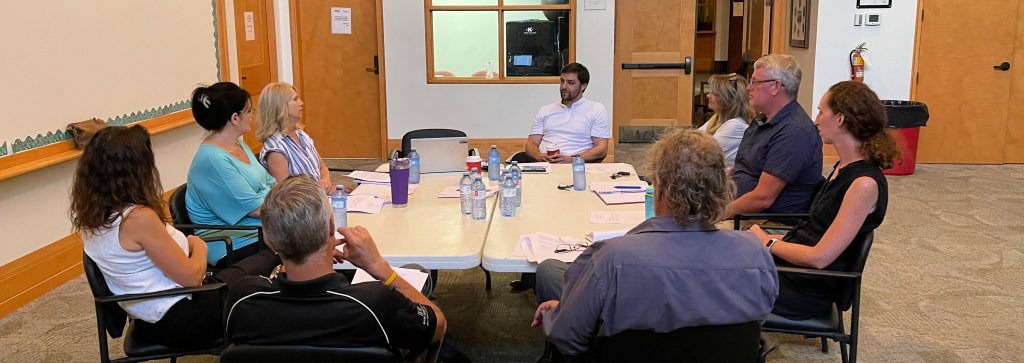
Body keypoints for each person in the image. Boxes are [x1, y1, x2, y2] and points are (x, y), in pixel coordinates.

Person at [531, 129, 778, 357]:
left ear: (658, 185)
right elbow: (752, 324)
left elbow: (569, 340)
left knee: (550, 272)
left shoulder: (610, 258)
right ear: (722, 188)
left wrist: (558, 312)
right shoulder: (756, 254)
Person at [70, 126, 278, 349]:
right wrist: (198, 245)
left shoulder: (92, 216)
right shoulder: (139, 218)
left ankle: (276, 260)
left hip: (153, 315)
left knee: (259, 263)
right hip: (181, 317)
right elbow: (192, 278)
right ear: (133, 170)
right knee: (263, 288)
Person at [225, 176, 446, 357]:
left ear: (268, 238)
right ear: (331, 225)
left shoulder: (242, 299)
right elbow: (438, 327)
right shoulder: (374, 302)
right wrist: (381, 268)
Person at [748, 81, 899, 320]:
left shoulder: (864, 185)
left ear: (840, 119)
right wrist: (765, 239)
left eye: (821, 111)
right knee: (721, 255)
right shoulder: (843, 168)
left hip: (806, 288)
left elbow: (820, 257)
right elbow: (815, 232)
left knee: (711, 277)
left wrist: (768, 243)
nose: (816, 120)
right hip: (793, 270)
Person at [186, 82, 275, 265]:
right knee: (308, 244)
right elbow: (257, 209)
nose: (252, 115)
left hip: (262, 229)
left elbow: (270, 182)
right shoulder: (212, 159)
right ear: (235, 118)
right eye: (249, 111)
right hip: (233, 242)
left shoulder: (237, 144)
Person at [727, 54, 823, 218]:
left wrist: (715, 214)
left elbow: (762, 199)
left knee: (689, 235)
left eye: (755, 82)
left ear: (775, 87)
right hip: (739, 208)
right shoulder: (761, 120)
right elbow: (743, 167)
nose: (749, 88)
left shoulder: (794, 133)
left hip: (765, 222)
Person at [256, 82, 338, 194]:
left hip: (318, 199)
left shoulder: (301, 135)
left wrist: (325, 182)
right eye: (295, 99)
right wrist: (322, 191)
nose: (301, 103)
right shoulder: (275, 148)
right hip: (301, 208)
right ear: (280, 106)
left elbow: (323, 168)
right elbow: (287, 193)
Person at [524, 63, 611, 163]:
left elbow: (601, 149)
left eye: (570, 83)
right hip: (545, 165)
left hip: (576, 167)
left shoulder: (596, 109)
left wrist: (572, 159)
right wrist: (539, 155)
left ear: (583, 86)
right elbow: (530, 144)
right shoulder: (545, 110)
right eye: (562, 81)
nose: (564, 86)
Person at [698, 73, 754, 168]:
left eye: (714, 93)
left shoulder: (736, 125)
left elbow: (702, 154)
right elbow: (692, 140)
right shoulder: (717, 118)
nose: (708, 95)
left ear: (728, 99)